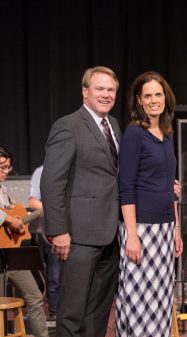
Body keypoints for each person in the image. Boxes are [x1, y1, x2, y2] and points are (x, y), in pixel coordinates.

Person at [40, 66, 121, 337]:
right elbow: (52, 182)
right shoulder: (68, 126)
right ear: (85, 92)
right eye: (100, 89)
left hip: (110, 236)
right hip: (77, 236)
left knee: (98, 313)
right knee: (72, 312)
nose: (106, 95)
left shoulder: (115, 126)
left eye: (111, 90)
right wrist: (57, 231)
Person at [115, 71, 182, 336]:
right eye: (148, 96)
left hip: (164, 230)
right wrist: (131, 236)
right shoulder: (134, 134)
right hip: (141, 230)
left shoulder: (166, 133)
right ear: (139, 101)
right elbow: (126, 188)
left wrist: (176, 229)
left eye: (158, 94)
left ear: (165, 96)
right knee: (138, 303)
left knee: (161, 304)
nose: (154, 100)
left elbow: (169, 184)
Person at [0, 146, 49, 337]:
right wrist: (9, 219)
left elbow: (14, 215)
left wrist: (20, 220)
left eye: (8, 167)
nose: (5, 172)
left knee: (35, 296)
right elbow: (7, 217)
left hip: (11, 256)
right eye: (2, 167)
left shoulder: (3, 190)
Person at [28, 165, 60, 321]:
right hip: (48, 232)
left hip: (71, 231)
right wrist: (55, 209)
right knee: (52, 276)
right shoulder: (41, 171)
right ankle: (52, 314)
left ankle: (60, 314)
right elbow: (33, 201)